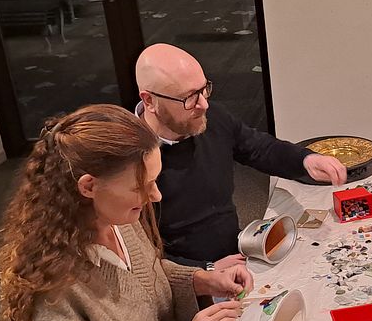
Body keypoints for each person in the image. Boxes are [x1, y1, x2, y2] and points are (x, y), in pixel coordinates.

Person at [0, 104, 254, 321]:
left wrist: (202, 280)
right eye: (140, 186)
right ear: (88, 186)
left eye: (155, 181)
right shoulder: (53, 302)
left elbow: (144, 278)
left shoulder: (119, 219)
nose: (156, 196)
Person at [135, 43, 347, 269]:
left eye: (204, 88)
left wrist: (305, 159)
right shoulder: (128, 158)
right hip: (184, 277)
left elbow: (257, 147)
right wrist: (205, 270)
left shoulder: (209, 117)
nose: (204, 104)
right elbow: (140, 256)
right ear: (150, 101)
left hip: (234, 251)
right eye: (189, 97)